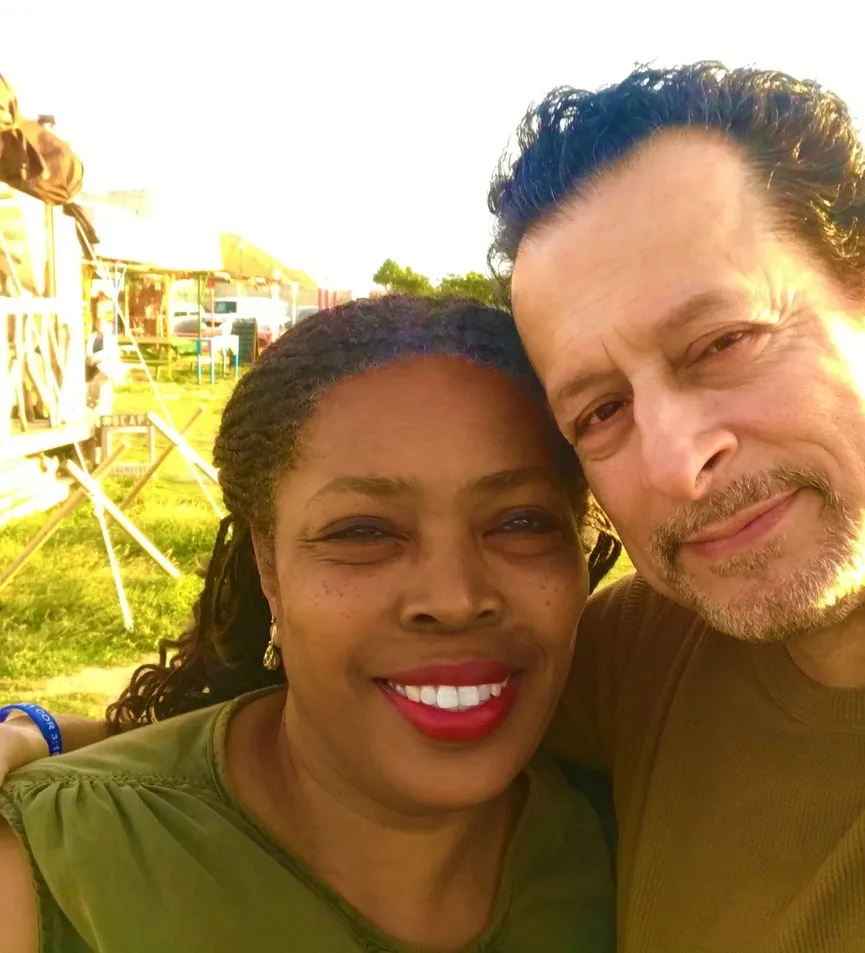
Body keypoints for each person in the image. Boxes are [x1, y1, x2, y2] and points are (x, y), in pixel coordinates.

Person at [5, 62, 865, 951]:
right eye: (600, 409)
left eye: (722, 340)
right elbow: (347, 708)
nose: (675, 458)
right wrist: (49, 741)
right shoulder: (657, 655)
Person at [0, 295, 617, 952]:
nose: (456, 596)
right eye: (364, 530)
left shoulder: (631, 832)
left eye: (521, 521)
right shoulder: (54, 873)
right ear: (268, 562)